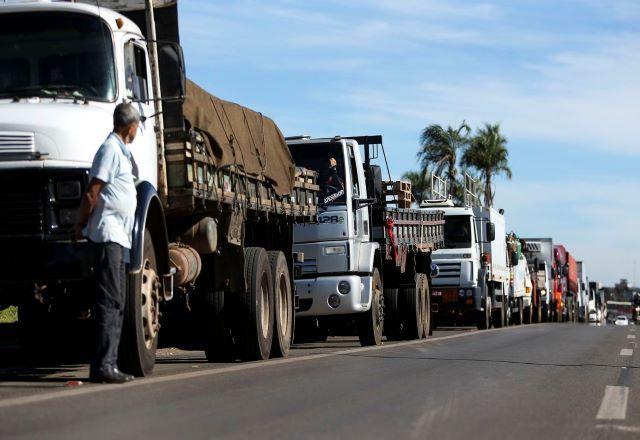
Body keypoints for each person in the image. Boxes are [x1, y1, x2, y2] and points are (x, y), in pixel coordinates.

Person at [74, 103, 140, 384]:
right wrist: (79, 225)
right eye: (138, 124)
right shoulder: (110, 149)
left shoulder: (121, 151)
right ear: (130, 126)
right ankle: (104, 366)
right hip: (107, 236)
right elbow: (92, 193)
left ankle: (107, 363)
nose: (138, 129)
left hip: (118, 238)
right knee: (110, 302)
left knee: (117, 301)